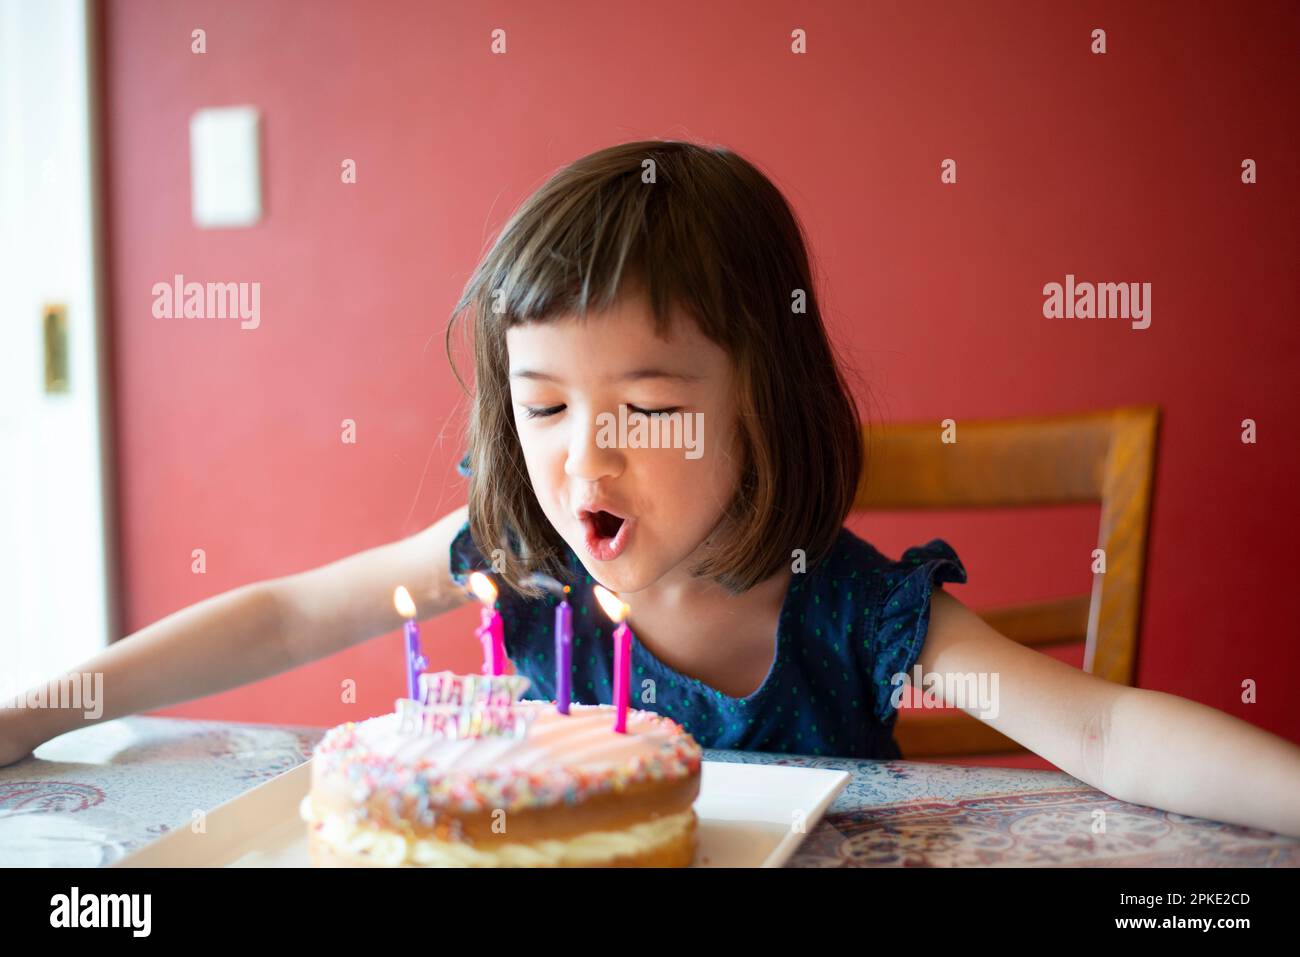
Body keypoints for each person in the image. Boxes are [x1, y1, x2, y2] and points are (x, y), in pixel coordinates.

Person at [3, 140, 1298, 839]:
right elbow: (288, 616)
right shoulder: (517, 555)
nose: (581, 457)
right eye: (547, 402)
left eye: (650, 403)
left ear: (761, 400)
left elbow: (1109, 736)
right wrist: (42, 706)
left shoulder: (847, 606)